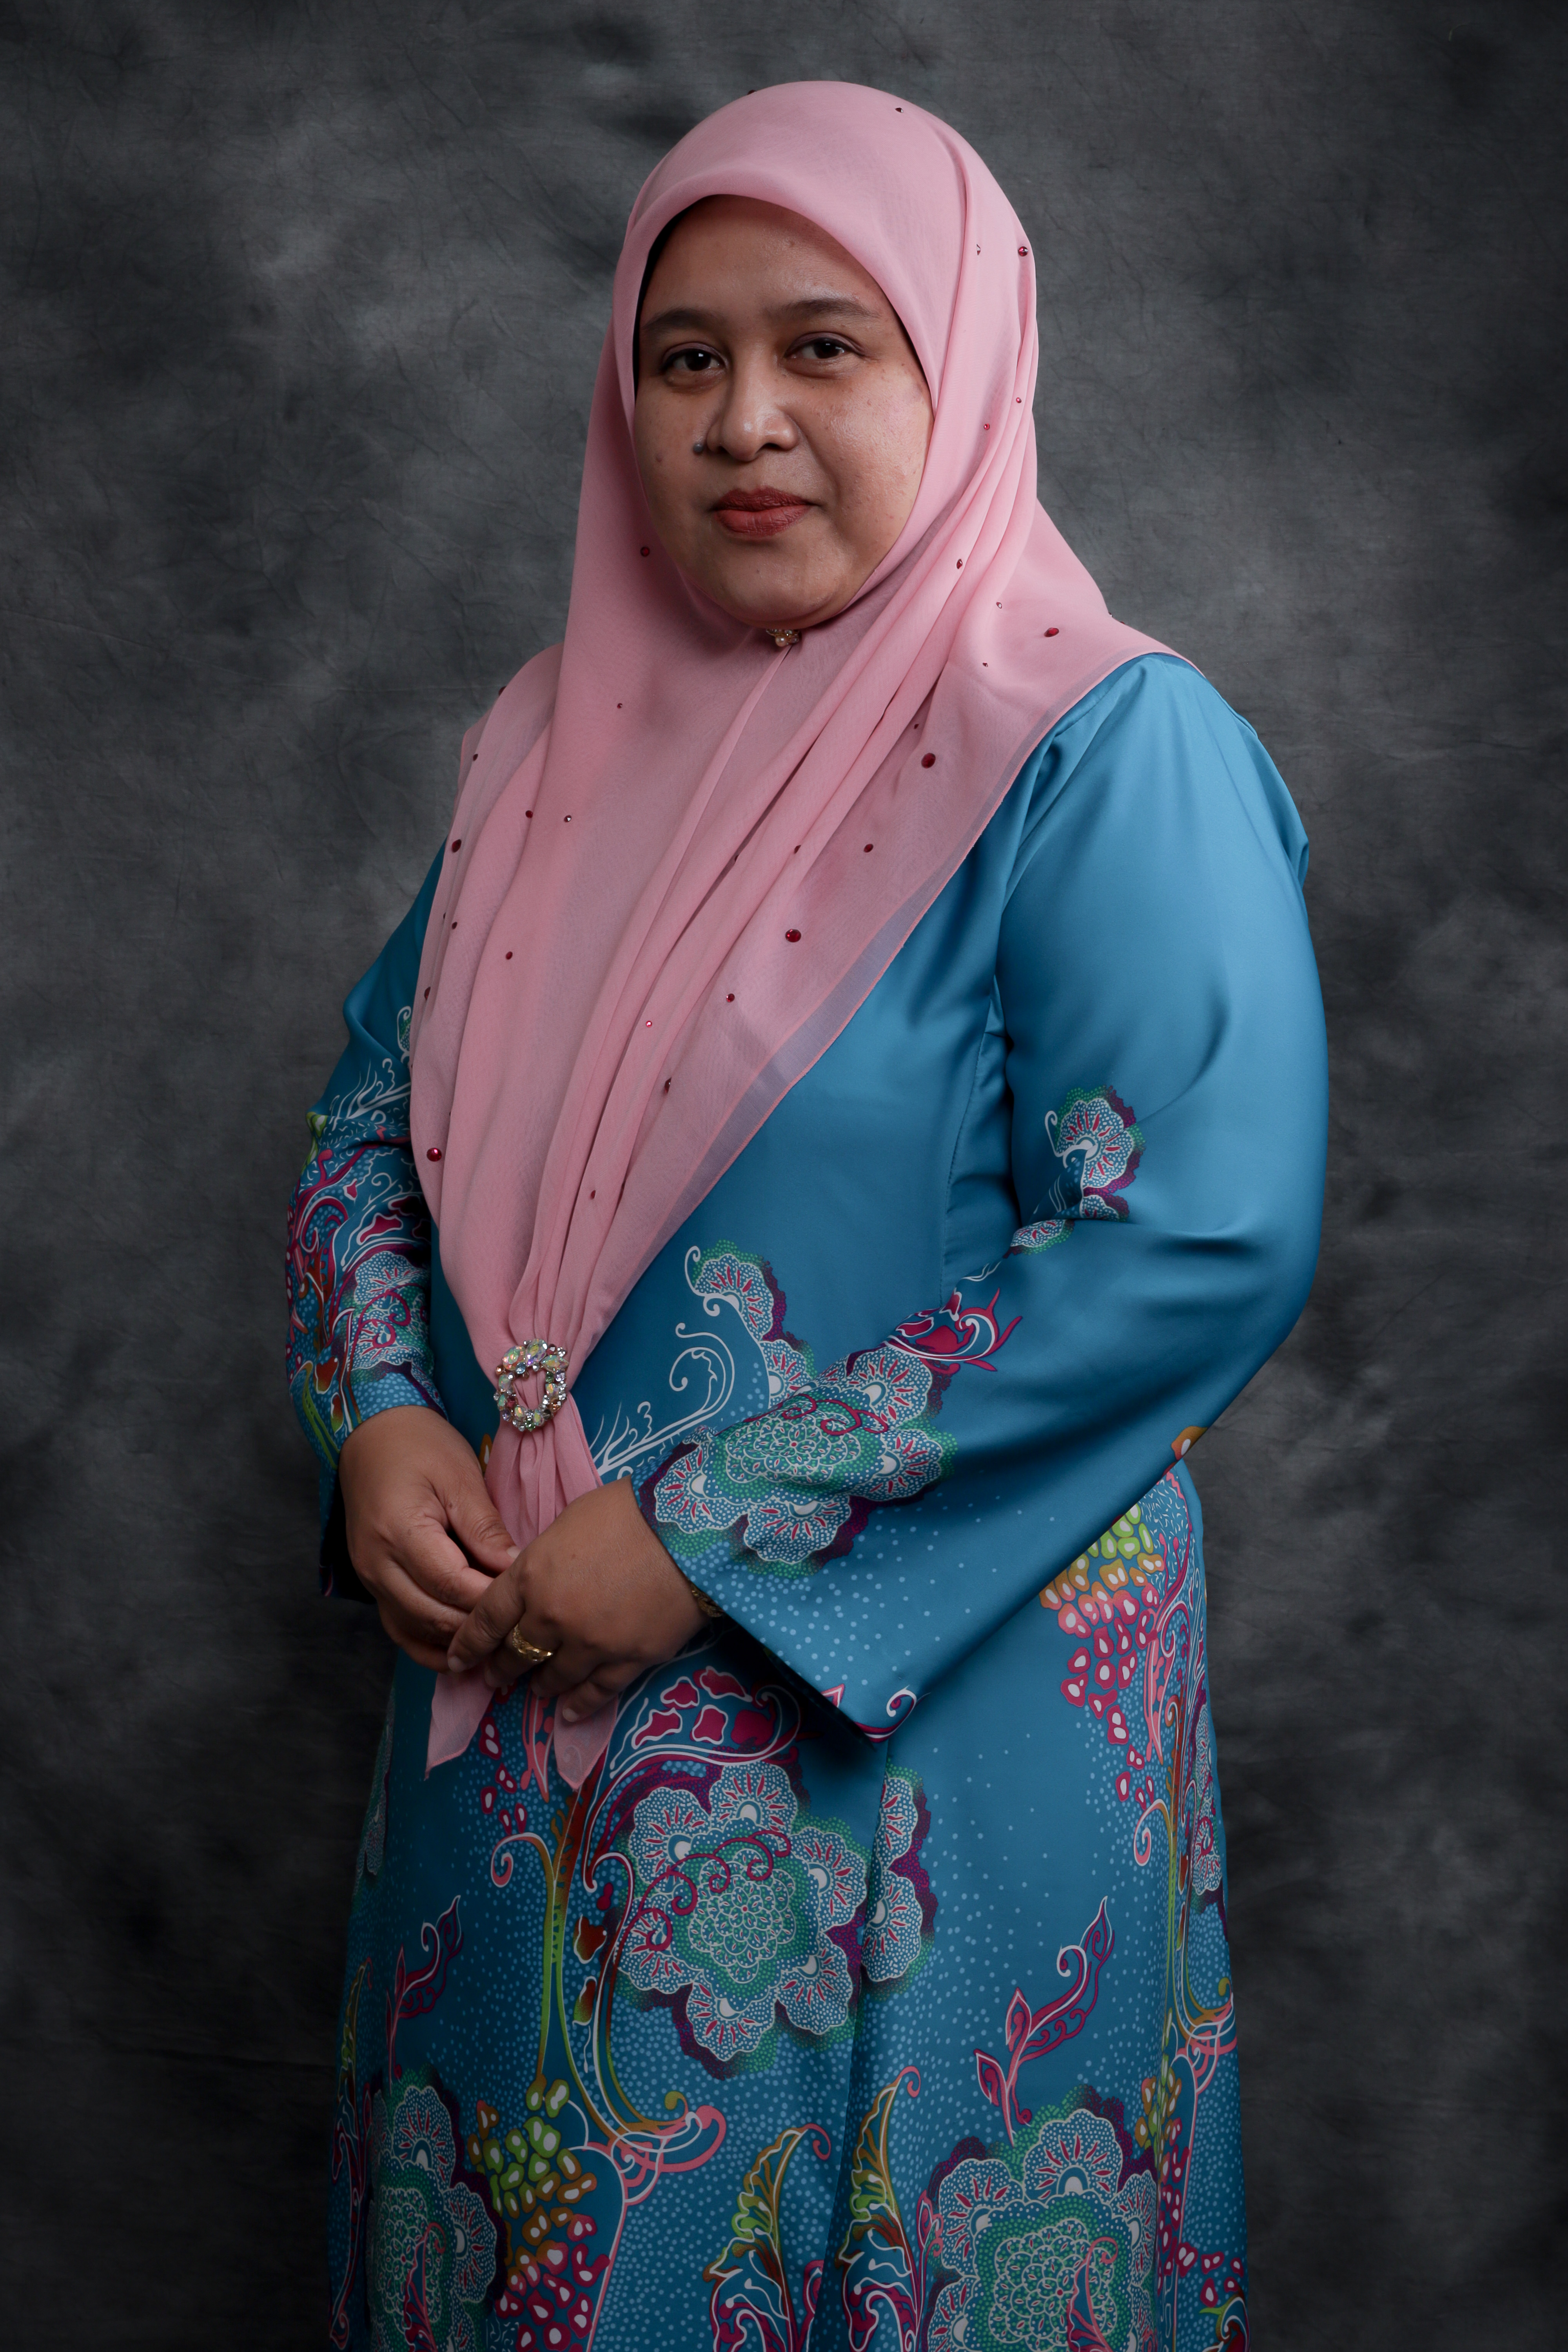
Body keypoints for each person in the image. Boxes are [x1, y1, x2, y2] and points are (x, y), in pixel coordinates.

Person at [287, 80, 1325, 2352]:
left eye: (825, 347)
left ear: (967, 367)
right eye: (686, 359)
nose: (743, 420)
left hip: (907, 1771)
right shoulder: (551, 750)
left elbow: (1189, 1236)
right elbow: (377, 1116)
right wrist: (378, 1413)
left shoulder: (1097, 749)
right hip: (510, 1739)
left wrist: (703, 1536)